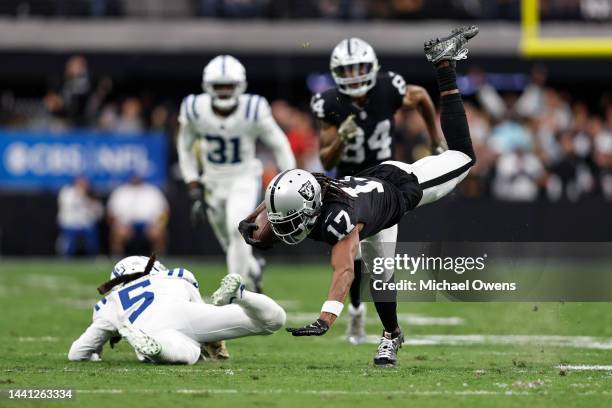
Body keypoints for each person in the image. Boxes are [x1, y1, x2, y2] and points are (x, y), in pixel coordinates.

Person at [240, 26, 479, 367]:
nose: (286, 228)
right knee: (380, 273)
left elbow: (343, 272)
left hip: (402, 184)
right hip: (372, 183)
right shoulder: (313, 187)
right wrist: (252, 220)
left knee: (464, 157)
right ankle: (391, 336)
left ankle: (444, 66)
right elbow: (281, 192)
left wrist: (326, 318)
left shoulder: (339, 220)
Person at [311, 36, 443, 344]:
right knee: (351, 253)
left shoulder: (388, 87)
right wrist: (341, 138)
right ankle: (357, 313)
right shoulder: (329, 102)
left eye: (360, 68)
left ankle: (381, 324)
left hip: (384, 181)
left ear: (372, 67)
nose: (355, 76)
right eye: (348, 69)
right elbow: (325, 158)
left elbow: (422, 96)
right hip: (347, 184)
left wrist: (435, 138)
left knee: (378, 259)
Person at [177, 55, 296, 292]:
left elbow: (279, 143)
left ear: (239, 86)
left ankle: (234, 290)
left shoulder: (253, 109)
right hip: (211, 181)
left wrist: (290, 177)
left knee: (237, 228)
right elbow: (185, 146)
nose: (223, 91)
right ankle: (253, 269)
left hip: (243, 176)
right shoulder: (194, 109)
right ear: (208, 87)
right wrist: (192, 180)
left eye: (228, 86)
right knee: (229, 241)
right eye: (218, 86)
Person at [68, 256, 286, 364]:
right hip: (187, 314)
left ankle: (156, 348)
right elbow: (200, 310)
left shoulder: (110, 303)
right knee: (273, 321)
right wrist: (215, 345)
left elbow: (78, 352)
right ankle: (241, 295)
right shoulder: (176, 275)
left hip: (151, 328)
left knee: (186, 352)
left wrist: (94, 355)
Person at [107, 176, 169, 255]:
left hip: (149, 225)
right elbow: (110, 214)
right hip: (126, 225)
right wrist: (117, 225)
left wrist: (160, 225)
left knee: (159, 232)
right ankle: (116, 258)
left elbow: (165, 212)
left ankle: (158, 259)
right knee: (118, 233)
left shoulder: (153, 191)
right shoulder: (120, 191)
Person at [57, 177, 103, 256]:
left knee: (92, 239)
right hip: (70, 224)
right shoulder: (68, 191)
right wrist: (80, 195)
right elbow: (68, 205)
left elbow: (99, 212)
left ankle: (93, 258)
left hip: (85, 225)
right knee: (69, 244)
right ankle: (65, 259)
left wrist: (89, 201)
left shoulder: (92, 195)